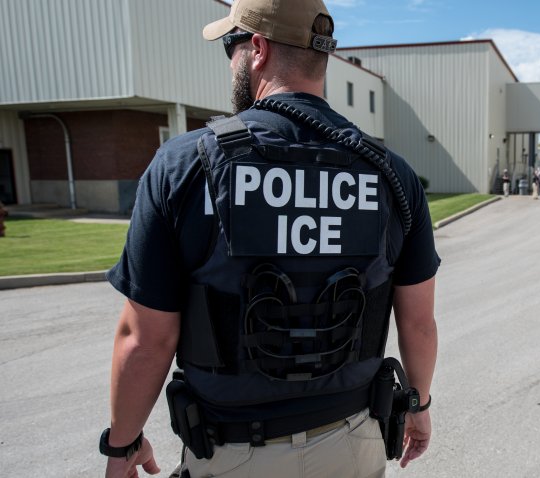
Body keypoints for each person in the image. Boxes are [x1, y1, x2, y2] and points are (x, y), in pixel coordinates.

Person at [100, 1, 440, 477]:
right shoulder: (392, 175)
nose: (230, 63)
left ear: (256, 49)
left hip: (233, 453)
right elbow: (419, 322)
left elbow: (145, 340)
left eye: (230, 48)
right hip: (353, 444)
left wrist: (122, 447)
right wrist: (419, 404)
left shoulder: (185, 165)